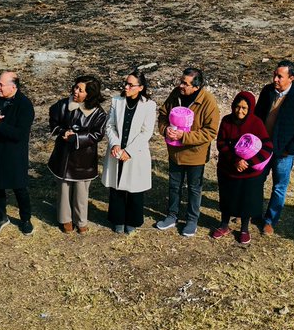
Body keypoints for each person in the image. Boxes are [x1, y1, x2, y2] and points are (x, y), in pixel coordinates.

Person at [155, 68, 220, 238]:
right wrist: (165, 129)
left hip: (195, 155)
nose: (181, 85)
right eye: (181, 81)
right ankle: (172, 216)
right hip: (174, 152)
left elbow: (210, 131)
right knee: (174, 185)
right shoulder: (175, 94)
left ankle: (192, 220)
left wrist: (185, 136)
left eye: (185, 83)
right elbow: (162, 114)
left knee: (194, 188)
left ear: (196, 87)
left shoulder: (208, 102)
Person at [254, 60, 294, 234]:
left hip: (283, 153)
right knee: (256, 181)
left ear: (291, 78)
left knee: (279, 187)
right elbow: (257, 115)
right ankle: (254, 212)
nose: (276, 79)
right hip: (262, 149)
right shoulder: (267, 92)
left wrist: (291, 149)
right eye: (275, 75)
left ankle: (270, 221)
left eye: (280, 76)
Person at [47, 75, 107, 234]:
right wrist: (62, 132)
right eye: (75, 87)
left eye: (80, 90)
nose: (75, 91)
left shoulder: (98, 113)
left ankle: (81, 220)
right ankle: (65, 219)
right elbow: (53, 121)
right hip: (64, 155)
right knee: (64, 188)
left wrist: (77, 138)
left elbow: (97, 135)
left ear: (90, 94)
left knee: (81, 191)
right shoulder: (63, 105)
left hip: (83, 158)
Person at [212, 91, 273, 245]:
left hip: (249, 173)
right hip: (228, 168)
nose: (240, 111)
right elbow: (221, 143)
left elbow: (267, 146)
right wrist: (235, 160)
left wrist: (249, 162)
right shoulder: (226, 121)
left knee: (247, 200)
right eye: (237, 107)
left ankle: (244, 229)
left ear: (250, 109)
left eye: (244, 108)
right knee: (227, 197)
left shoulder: (256, 123)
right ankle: (224, 224)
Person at [102, 72, 157, 234]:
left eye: (130, 85)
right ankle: (117, 219)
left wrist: (129, 151)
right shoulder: (116, 101)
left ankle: (132, 220)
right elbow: (109, 125)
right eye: (125, 83)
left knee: (134, 188)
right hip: (117, 150)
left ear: (140, 88)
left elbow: (146, 132)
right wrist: (115, 143)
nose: (126, 87)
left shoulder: (149, 105)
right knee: (116, 186)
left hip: (136, 152)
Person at [0, 70, 35, 235]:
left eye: (1, 85)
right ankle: (0, 216)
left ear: (13, 87)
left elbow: (19, 134)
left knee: (19, 187)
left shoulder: (25, 105)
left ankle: (25, 219)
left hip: (14, 153)